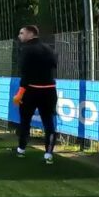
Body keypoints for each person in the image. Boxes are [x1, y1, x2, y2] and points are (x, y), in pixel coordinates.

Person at [13, 25, 58, 164]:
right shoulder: (49, 48)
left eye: (22, 33)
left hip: (31, 90)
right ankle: (49, 154)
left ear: (31, 34)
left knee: (25, 121)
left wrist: (20, 92)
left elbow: (24, 72)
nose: (19, 36)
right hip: (50, 90)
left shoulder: (26, 50)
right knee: (49, 123)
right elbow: (54, 65)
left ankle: (21, 149)